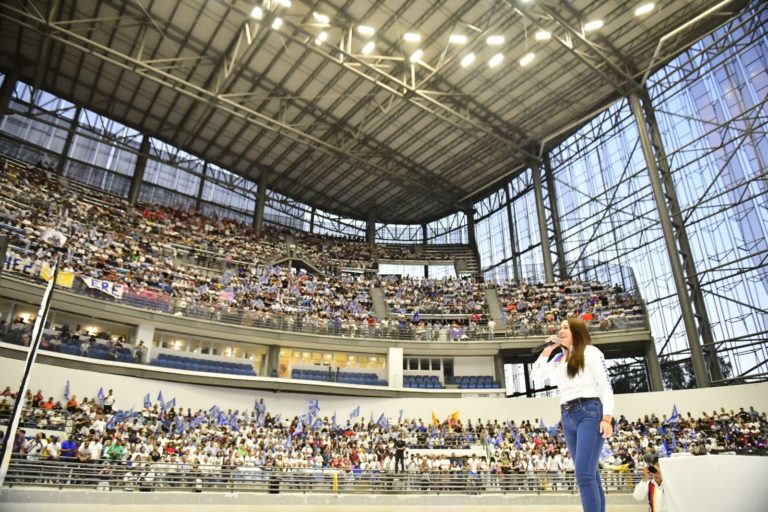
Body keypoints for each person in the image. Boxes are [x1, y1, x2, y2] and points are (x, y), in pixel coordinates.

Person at [531, 318, 614, 512]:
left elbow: (606, 387)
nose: (560, 331)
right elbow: (536, 376)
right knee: (590, 474)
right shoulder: (560, 359)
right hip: (567, 416)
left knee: (584, 475)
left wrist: (607, 418)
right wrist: (547, 351)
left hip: (589, 411)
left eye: (565, 328)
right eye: (559, 328)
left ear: (576, 331)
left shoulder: (591, 352)